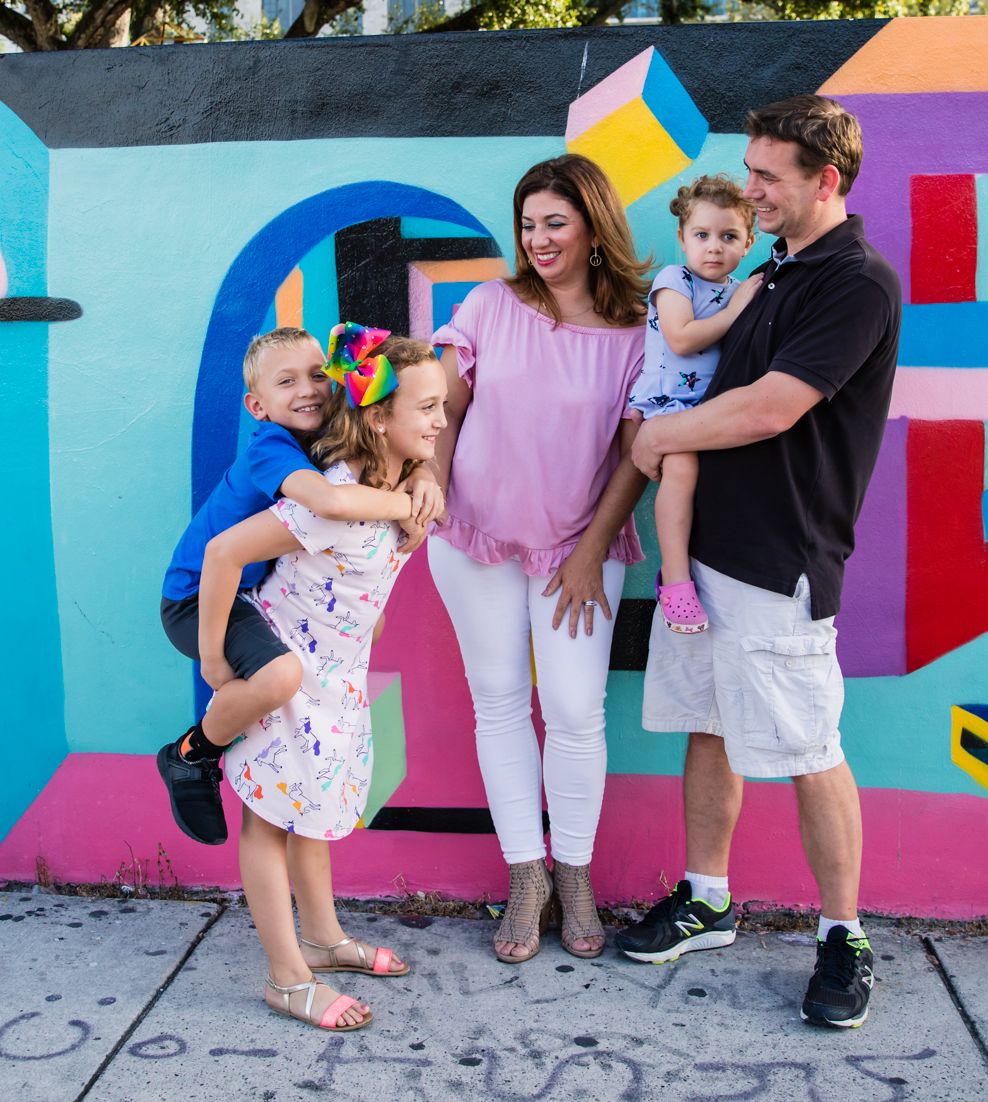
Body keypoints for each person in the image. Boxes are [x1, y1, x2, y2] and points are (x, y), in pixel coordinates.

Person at [624, 95, 902, 1030]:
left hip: (781, 558)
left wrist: (656, 438)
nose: (751, 190)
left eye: (768, 175)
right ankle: (707, 898)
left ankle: (844, 933)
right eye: (748, 172)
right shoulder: (775, 269)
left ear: (827, 179)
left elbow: (770, 407)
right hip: (702, 551)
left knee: (808, 748)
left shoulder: (854, 280)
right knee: (710, 725)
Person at [426, 153, 651, 963]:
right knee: (497, 701)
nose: (539, 238)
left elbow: (635, 457)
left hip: (579, 551)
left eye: (555, 221)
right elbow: (442, 407)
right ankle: (529, 874)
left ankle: (577, 872)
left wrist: (592, 552)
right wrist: (432, 483)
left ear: (594, 227)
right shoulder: (488, 304)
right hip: (474, 538)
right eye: (528, 224)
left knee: (574, 708)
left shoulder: (635, 333)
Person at [205, 326, 448, 1031]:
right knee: (271, 818)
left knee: (311, 810)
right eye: (428, 407)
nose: (440, 420)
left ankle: (323, 937)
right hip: (284, 668)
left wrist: (423, 481)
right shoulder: (330, 498)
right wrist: (218, 662)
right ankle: (287, 976)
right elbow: (227, 552)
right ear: (379, 417)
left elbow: (371, 586)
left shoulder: (401, 484)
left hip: (336, 676)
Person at [155, 325, 444, 847]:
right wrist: (411, 505)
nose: (308, 389)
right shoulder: (273, 445)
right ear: (257, 406)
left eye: (317, 375)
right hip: (198, 595)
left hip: (246, 590)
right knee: (279, 677)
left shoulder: (332, 434)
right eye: (286, 381)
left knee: (364, 633)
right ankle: (191, 754)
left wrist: (425, 476)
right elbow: (331, 504)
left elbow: (399, 435)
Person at [629, 176, 761, 634]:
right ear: (682, 238)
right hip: (670, 401)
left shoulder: (740, 289)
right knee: (682, 468)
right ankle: (676, 581)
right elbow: (682, 339)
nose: (713, 247)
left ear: (748, 242)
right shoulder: (674, 279)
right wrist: (737, 309)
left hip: (709, 407)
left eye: (728, 237)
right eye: (701, 235)